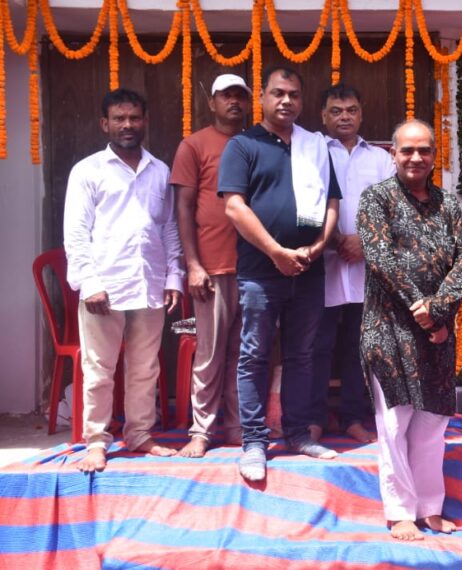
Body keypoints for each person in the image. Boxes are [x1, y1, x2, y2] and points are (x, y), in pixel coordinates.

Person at [218, 66, 341, 481]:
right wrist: (275, 252)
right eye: (277, 93)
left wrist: (318, 246)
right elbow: (234, 207)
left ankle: (297, 434)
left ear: (302, 101)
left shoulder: (314, 146)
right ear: (263, 98)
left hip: (308, 268)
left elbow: (332, 203)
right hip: (261, 271)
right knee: (254, 355)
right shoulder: (243, 145)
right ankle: (255, 442)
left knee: (302, 355)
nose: (285, 100)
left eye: (293, 94)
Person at [358, 120, 462, 541]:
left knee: (431, 424)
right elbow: (380, 257)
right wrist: (419, 307)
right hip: (389, 329)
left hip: (437, 330)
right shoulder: (377, 199)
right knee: (393, 424)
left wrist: (438, 311)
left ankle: (430, 507)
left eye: (424, 150)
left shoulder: (447, 204)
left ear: (434, 155)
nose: (416, 158)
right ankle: (400, 511)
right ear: (394, 154)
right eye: (407, 150)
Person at [63, 88, 184, 472]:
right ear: (105, 124)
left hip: (148, 283)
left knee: (145, 367)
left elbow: (168, 229)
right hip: (104, 287)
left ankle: (139, 435)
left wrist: (173, 277)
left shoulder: (160, 170)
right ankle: (96, 441)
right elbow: (76, 233)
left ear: (145, 122)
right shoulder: (88, 171)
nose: (127, 125)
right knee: (99, 368)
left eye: (134, 118)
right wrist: (89, 282)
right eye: (119, 119)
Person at [170, 74, 251, 457]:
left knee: (245, 353)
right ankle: (201, 431)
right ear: (212, 102)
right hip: (212, 268)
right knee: (210, 353)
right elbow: (183, 208)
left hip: (253, 268)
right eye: (226, 96)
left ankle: (237, 427)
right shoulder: (194, 145)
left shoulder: (257, 142)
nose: (233, 102)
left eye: (240, 96)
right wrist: (193, 265)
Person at [310, 83, 393, 443]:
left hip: (365, 270)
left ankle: (353, 418)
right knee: (315, 347)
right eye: (336, 111)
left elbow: (395, 209)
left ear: (361, 113)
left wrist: (365, 242)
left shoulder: (380, 159)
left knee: (359, 349)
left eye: (351, 110)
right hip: (318, 268)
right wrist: (330, 239)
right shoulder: (310, 152)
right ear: (323, 116)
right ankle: (311, 419)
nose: (344, 117)